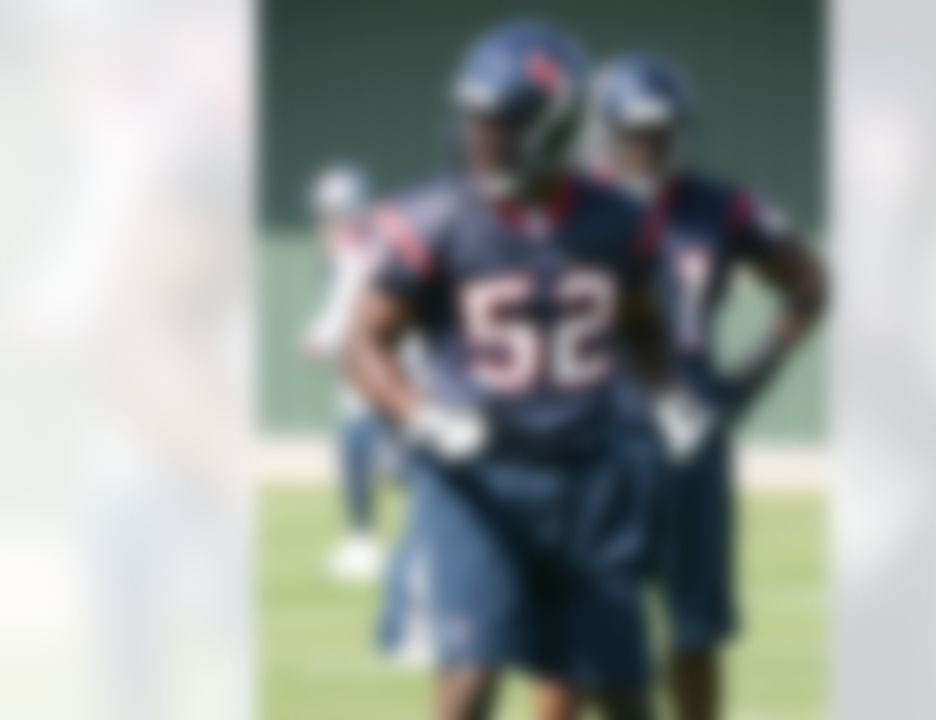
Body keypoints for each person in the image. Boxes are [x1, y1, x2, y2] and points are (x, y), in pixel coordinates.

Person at [346, 21, 707, 720]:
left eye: (501, 122)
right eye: (474, 119)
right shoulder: (433, 217)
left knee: (624, 689)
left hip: (592, 480)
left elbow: (641, 321)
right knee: (471, 677)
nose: (479, 136)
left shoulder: (617, 221)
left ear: (557, 124)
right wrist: (421, 414)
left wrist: (665, 396)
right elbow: (363, 342)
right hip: (478, 479)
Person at [586, 54, 827, 720]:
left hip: (690, 437)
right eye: (634, 130)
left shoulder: (722, 207)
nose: (649, 144)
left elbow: (810, 284)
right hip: (595, 434)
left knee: (694, 631)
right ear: (603, 131)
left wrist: (746, 383)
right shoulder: (575, 204)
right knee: (580, 638)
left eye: (662, 129)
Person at [301, 164, 387, 581]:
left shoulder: (360, 248)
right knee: (361, 449)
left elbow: (348, 311)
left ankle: (362, 543)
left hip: (378, 369)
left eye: (328, 213)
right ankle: (362, 541)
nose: (322, 223)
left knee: (358, 449)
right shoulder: (362, 244)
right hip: (375, 369)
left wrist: (320, 337)